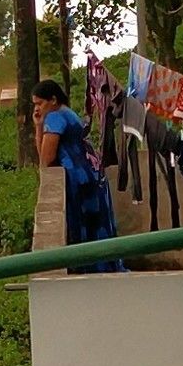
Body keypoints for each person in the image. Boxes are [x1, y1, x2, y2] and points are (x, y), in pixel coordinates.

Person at [34, 76, 119, 246]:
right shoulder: (69, 113)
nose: (37, 109)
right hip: (91, 176)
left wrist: (39, 127)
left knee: (82, 230)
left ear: (53, 100)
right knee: (96, 228)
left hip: (76, 180)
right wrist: (38, 126)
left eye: (40, 103)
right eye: (34, 104)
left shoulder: (55, 117)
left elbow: (46, 158)